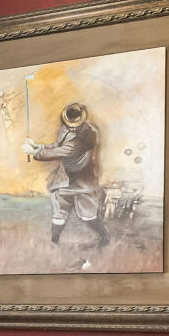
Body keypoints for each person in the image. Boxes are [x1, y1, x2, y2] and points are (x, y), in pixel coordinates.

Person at [23, 101, 109, 247]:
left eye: (75, 126)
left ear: (83, 120)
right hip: (65, 179)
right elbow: (58, 146)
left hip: (84, 181)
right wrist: (38, 146)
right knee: (59, 212)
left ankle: (105, 238)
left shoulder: (90, 134)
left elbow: (64, 151)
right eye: (69, 125)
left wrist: (35, 153)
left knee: (88, 216)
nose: (71, 129)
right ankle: (54, 242)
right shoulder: (65, 129)